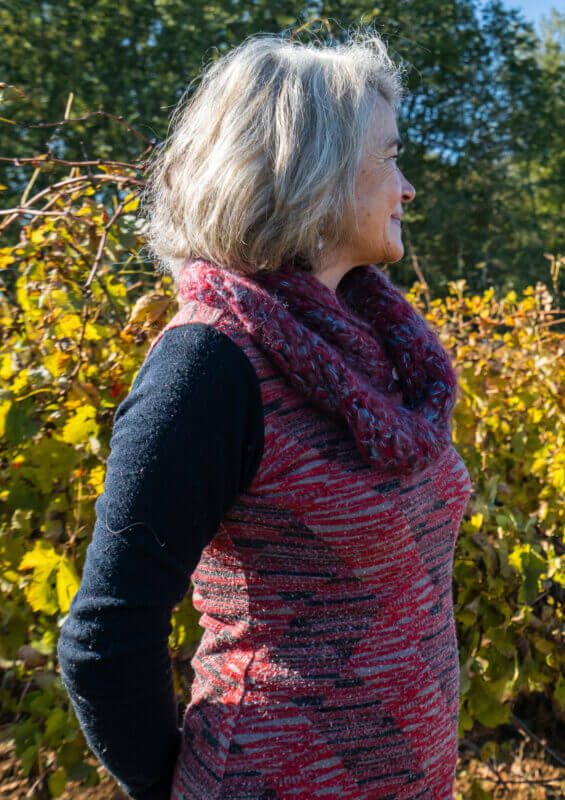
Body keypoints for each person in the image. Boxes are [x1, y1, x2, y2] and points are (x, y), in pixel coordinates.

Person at [56, 31, 473, 800]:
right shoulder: (209, 365)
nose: (408, 188)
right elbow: (105, 638)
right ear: (314, 171)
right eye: (390, 159)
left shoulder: (382, 350)